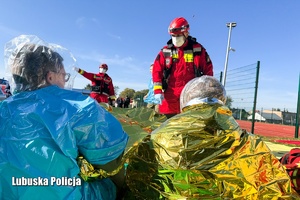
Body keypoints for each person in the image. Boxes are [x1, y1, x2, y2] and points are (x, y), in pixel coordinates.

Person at [124, 76, 299, 199]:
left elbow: (135, 180)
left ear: (185, 101)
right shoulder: (250, 143)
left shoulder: (158, 136)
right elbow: (276, 190)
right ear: (222, 100)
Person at [0, 35, 129, 200]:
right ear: (50, 76)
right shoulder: (75, 105)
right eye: (64, 76)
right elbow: (111, 157)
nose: (65, 81)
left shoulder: (4, 108)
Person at [152, 17, 213, 118]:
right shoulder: (166, 51)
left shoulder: (197, 49)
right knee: (170, 128)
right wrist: (157, 92)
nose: (176, 38)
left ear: (186, 33)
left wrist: (207, 90)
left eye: (178, 35)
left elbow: (208, 71)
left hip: (191, 97)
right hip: (170, 98)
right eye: (173, 36)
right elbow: (157, 71)